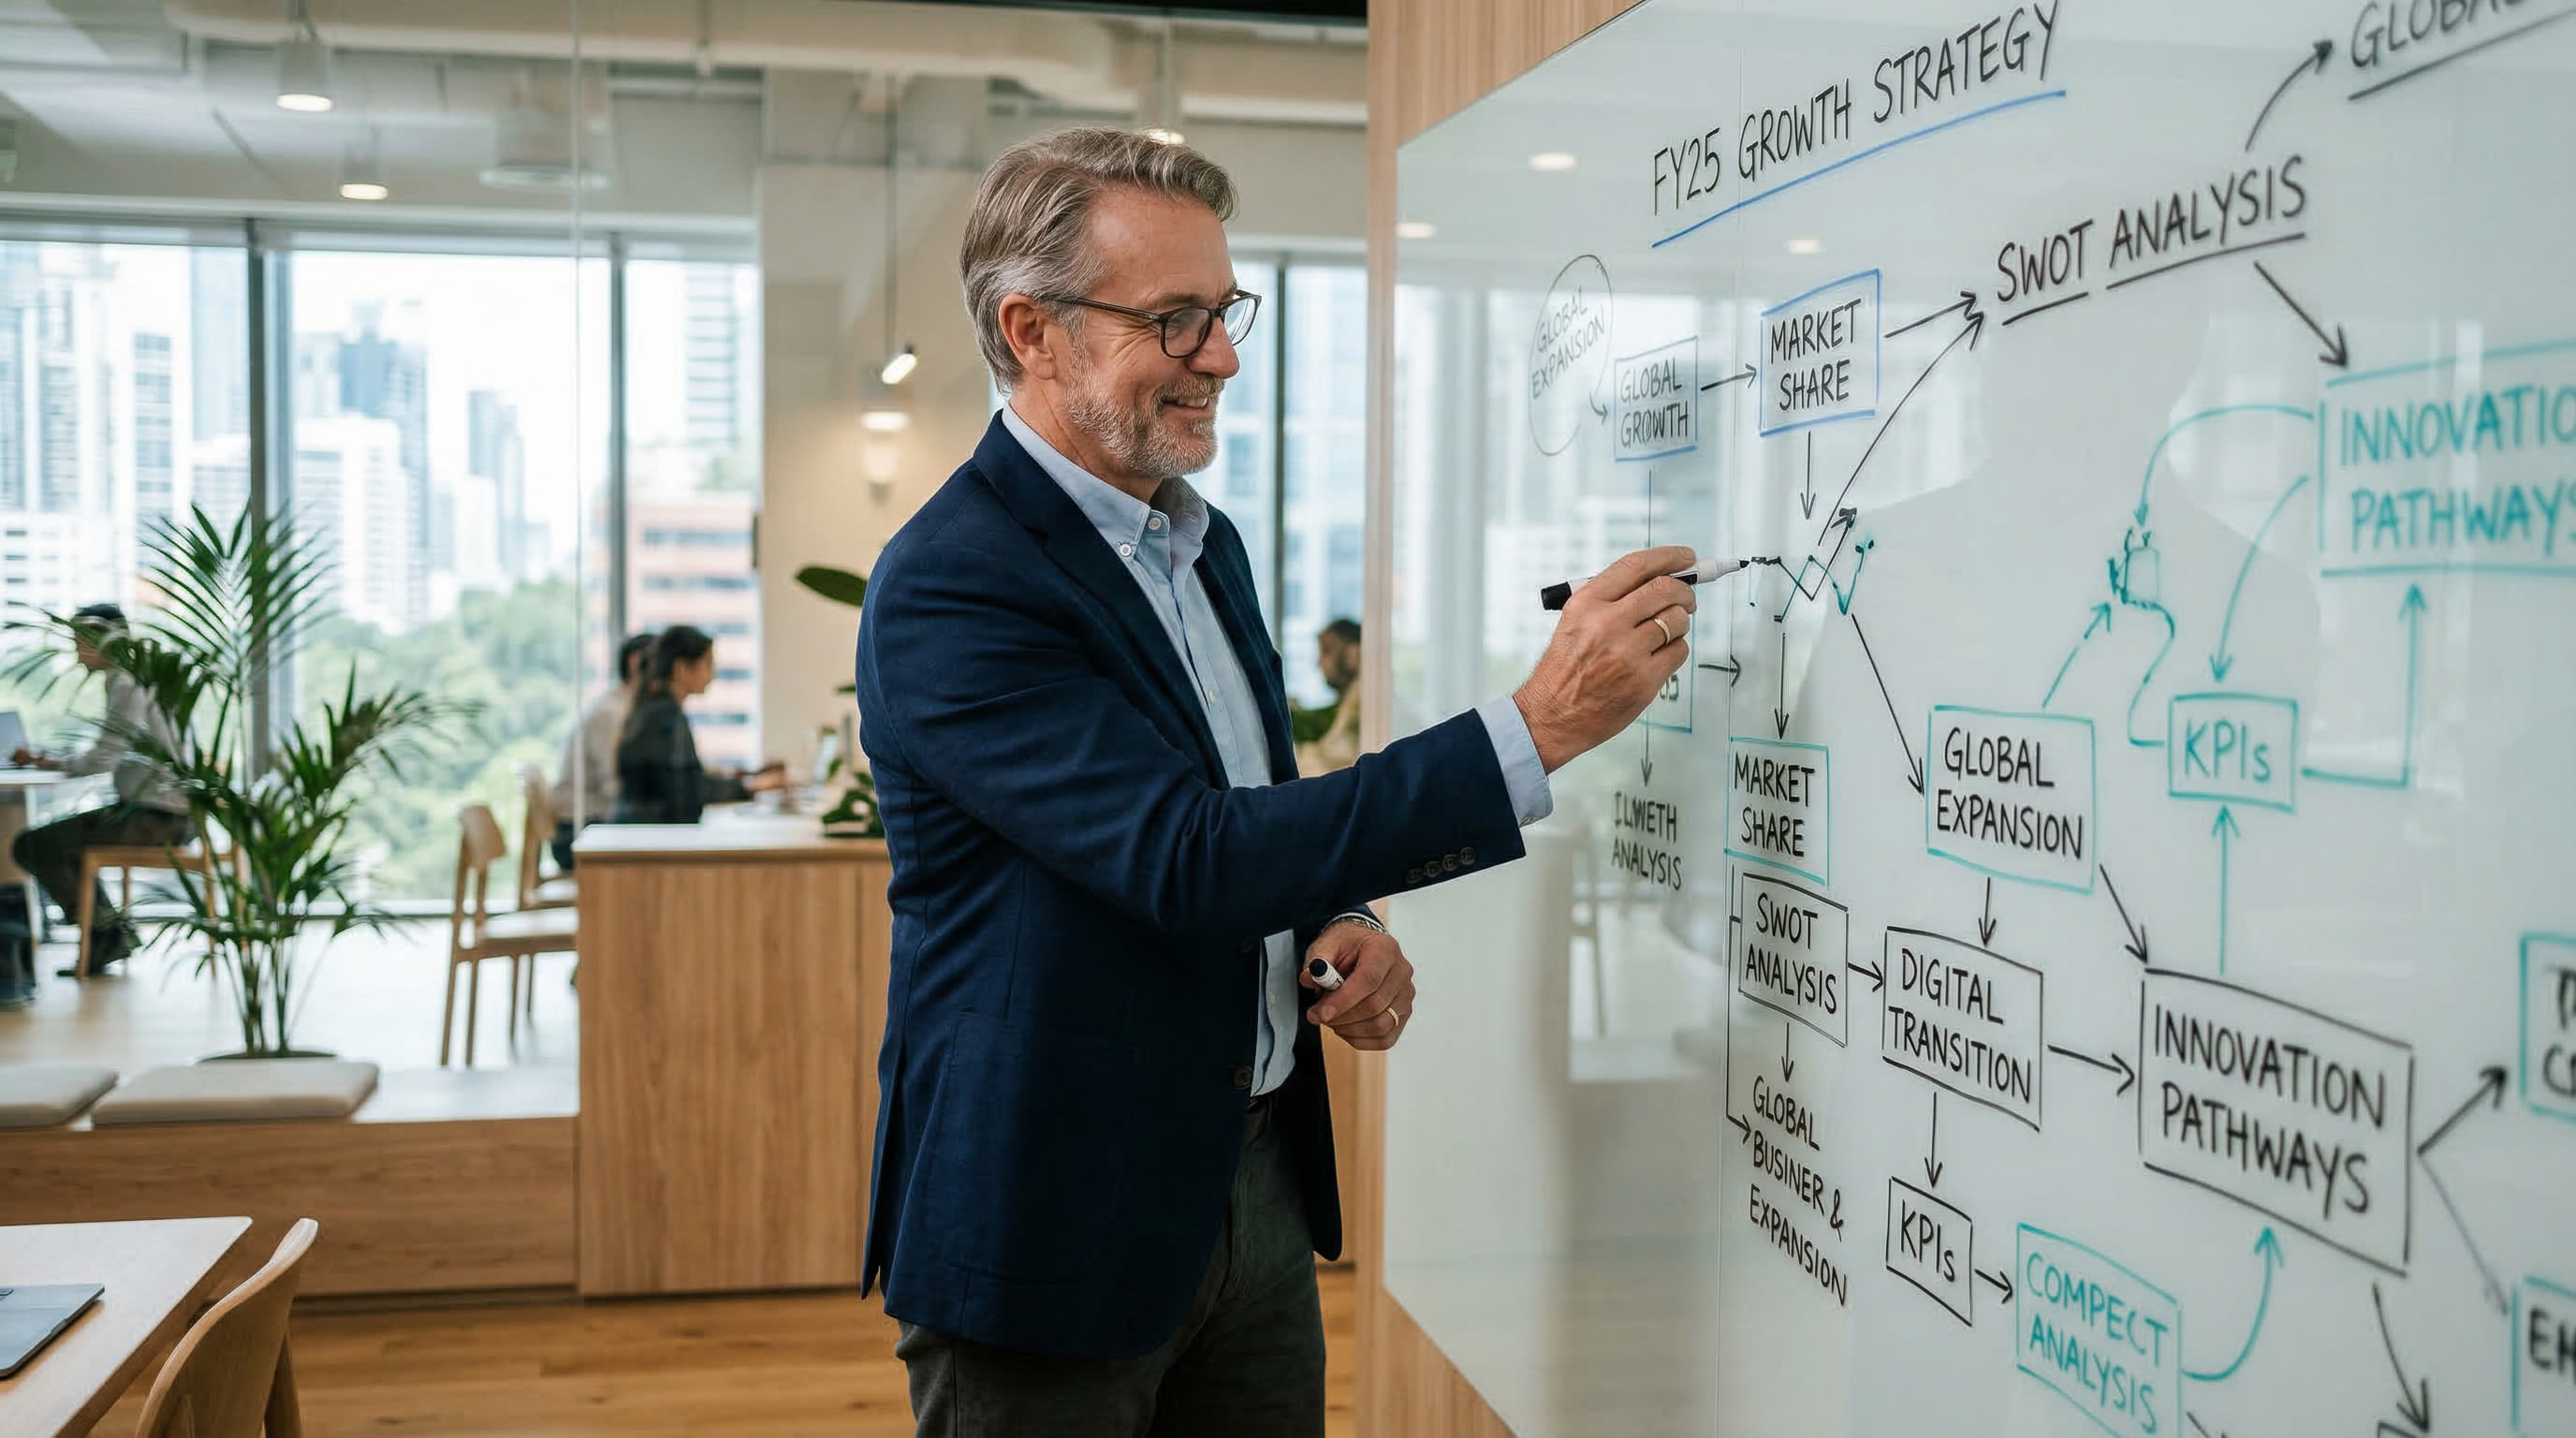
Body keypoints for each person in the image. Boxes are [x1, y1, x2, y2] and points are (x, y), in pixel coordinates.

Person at [851, 126, 1696, 1436]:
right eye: (1176, 321)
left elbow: (1244, 816)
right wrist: (1534, 728)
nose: (1226, 359)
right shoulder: (956, 581)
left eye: (1228, 311)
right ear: (1032, 330)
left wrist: (1334, 923)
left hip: (1250, 1182)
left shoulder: (1204, 545)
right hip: (1054, 1208)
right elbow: (1181, 857)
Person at [8, 603, 191, 977]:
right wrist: (55, 759)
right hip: (165, 812)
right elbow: (108, 751)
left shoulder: (126, 682)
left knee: (34, 845)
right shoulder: (144, 675)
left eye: (81, 641)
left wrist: (56, 761)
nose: (76, 653)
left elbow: (103, 759)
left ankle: (107, 935)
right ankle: (108, 935)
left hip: (157, 817)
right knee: (60, 843)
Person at [610, 625, 783, 825]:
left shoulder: (654, 708)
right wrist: (752, 787)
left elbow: (685, 781)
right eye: (708, 664)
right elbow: (690, 791)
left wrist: (747, 781)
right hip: (653, 839)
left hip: (644, 833)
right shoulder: (666, 716)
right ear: (681, 668)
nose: (712, 676)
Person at [549, 631, 655, 869]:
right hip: (578, 833)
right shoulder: (611, 714)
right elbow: (614, 786)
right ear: (636, 663)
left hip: (594, 824)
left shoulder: (626, 708)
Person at [1294, 617, 1363, 776]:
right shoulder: (1349, 701)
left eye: (1326, 651)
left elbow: (1331, 762)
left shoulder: (1362, 702)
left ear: (1353, 654)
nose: (1319, 663)